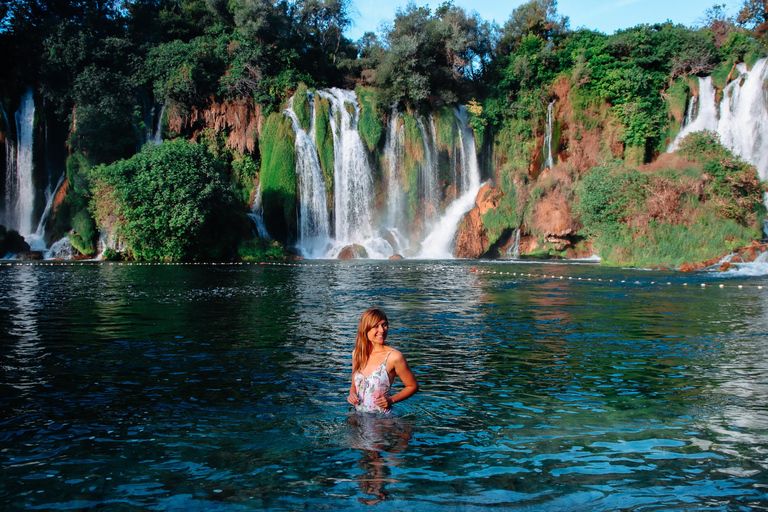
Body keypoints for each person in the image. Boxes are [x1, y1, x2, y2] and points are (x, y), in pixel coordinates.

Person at [347, 308, 418, 414]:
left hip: (381, 420)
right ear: (365, 329)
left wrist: (391, 400)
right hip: (357, 416)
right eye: (376, 326)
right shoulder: (357, 354)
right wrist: (351, 395)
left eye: (384, 325)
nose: (382, 330)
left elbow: (413, 386)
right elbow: (354, 385)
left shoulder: (394, 357)